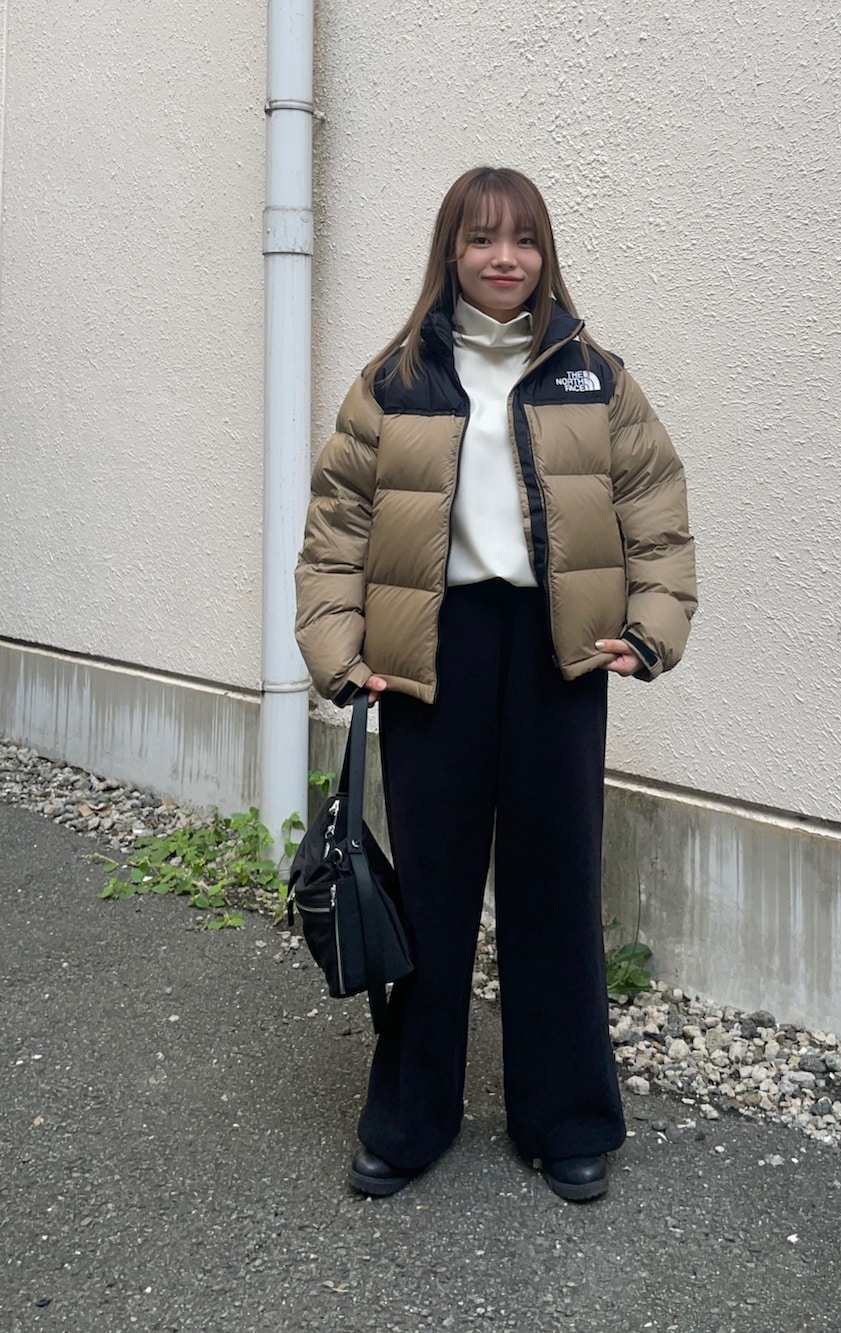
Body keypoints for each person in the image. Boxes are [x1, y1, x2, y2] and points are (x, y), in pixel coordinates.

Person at [295, 166, 697, 1202]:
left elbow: (655, 505)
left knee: (554, 884)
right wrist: (339, 652)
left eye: (521, 239)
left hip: (560, 654)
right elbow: (336, 528)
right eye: (480, 239)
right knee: (430, 889)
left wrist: (650, 630)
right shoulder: (395, 381)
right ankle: (408, 1118)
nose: (502, 257)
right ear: (451, 252)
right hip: (430, 654)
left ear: (544, 252)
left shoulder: (592, 376)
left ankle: (566, 1118)